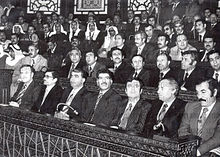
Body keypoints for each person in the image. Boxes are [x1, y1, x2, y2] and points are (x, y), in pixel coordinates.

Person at [178, 78, 220, 157]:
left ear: (214, 92)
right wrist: (192, 149)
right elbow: (182, 130)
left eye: (203, 92)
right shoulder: (190, 106)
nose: (199, 96)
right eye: (197, 92)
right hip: (189, 150)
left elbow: (217, 138)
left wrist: (198, 151)